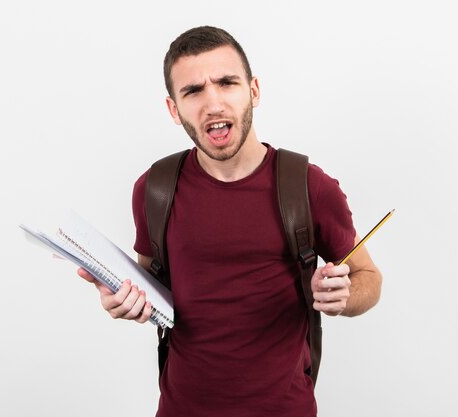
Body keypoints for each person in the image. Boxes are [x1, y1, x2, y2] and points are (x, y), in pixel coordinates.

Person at [77, 26, 382, 417]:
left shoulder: (308, 185)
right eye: (193, 91)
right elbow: (151, 289)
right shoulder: (154, 189)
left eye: (226, 83)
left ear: (253, 90)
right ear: (174, 109)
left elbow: (368, 278)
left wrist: (344, 296)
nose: (213, 103)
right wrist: (123, 301)